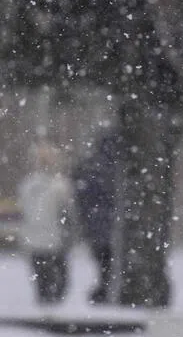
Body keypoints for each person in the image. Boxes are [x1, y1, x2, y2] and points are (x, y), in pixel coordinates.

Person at [17, 143, 74, 305]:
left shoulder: (27, 185)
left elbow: (25, 214)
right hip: (53, 242)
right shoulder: (59, 186)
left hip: (36, 242)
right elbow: (67, 215)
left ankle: (46, 313)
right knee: (57, 285)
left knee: (43, 285)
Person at [73, 131, 120, 304]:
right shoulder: (118, 168)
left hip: (94, 226)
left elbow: (81, 196)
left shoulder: (89, 166)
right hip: (113, 227)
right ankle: (108, 291)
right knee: (112, 264)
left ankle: (104, 290)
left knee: (102, 264)